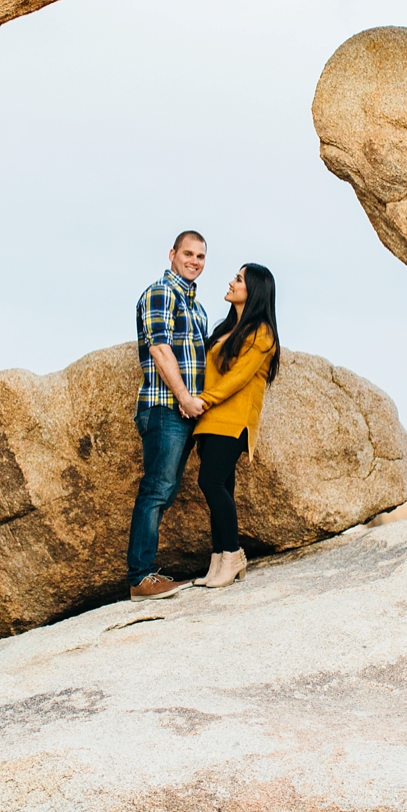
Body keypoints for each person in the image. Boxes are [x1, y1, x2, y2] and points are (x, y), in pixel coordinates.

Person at [126, 230, 209, 600]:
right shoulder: (162, 293)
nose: (194, 261)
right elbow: (160, 350)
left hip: (186, 412)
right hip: (165, 408)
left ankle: (146, 572)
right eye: (188, 254)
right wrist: (184, 398)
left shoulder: (197, 307)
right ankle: (140, 577)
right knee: (156, 490)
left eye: (201, 257)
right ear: (172, 253)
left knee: (166, 490)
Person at [192, 264, 281, 590]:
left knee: (210, 482)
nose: (231, 281)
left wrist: (203, 400)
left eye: (239, 279)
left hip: (233, 421)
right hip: (212, 420)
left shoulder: (262, 333)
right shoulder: (227, 328)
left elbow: (240, 377)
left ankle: (232, 554)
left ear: (254, 290)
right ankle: (219, 560)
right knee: (221, 489)